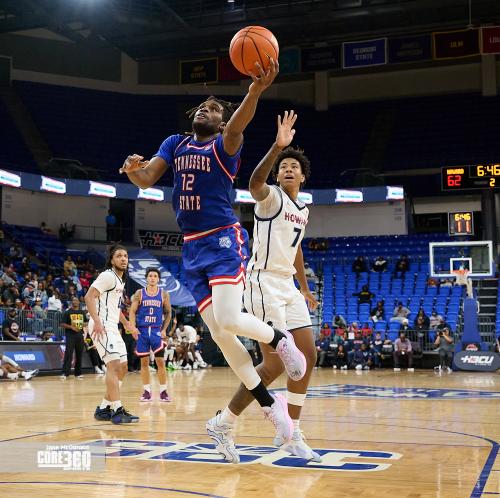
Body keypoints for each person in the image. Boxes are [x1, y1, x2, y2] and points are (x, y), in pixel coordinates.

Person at [120, 61, 306, 444]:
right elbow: (148, 178)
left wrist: (255, 91)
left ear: (222, 124)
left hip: (222, 239)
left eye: (216, 109)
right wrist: (131, 170)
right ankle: (266, 409)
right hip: (190, 248)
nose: (207, 109)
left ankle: (278, 339)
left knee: (227, 317)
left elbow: (239, 123)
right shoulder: (175, 143)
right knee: (222, 336)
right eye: (202, 107)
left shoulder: (225, 145)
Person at [207, 111, 320, 462]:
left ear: (303, 175)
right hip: (262, 283)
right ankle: (224, 421)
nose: (287, 169)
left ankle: (293, 431)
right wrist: (277, 146)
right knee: (273, 366)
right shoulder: (270, 197)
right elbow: (255, 182)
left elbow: (296, 247)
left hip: (287, 286)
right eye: (283, 166)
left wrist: (304, 287)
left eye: (293, 166)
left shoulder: (303, 207)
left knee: (308, 357)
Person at [85, 244, 139, 424]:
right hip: (101, 325)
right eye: (119, 256)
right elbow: (89, 297)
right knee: (114, 365)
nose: (123, 258)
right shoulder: (108, 275)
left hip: (113, 326)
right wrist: (97, 321)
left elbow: (116, 309)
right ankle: (117, 410)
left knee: (123, 367)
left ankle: (103, 408)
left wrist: (128, 325)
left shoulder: (120, 280)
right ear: (111, 260)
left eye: (125, 255)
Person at [128, 267, 172, 402]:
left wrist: (165, 329)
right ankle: (147, 391)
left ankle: (163, 391)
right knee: (144, 362)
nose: (152, 278)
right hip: (142, 331)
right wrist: (133, 327)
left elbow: (168, 312)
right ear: (146, 278)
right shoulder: (139, 293)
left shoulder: (164, 294)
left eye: (155, 276)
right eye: (150, 276)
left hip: (155, 330)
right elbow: (132, 311)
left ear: (158, 279)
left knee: (160, 361)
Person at [60, 297, 86, 379]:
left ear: (79, 302)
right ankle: (65, 373)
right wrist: (71, 327)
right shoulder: (68, 312)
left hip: (80, 335)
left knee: (79, 354)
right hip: (70, 335)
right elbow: (62, 324)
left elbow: (85, 322)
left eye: (76, 300)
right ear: (72, 302)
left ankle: (78, 373)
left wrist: (84, 325)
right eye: (74, 300)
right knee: (68, 353)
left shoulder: (82, 312)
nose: (75, 301)